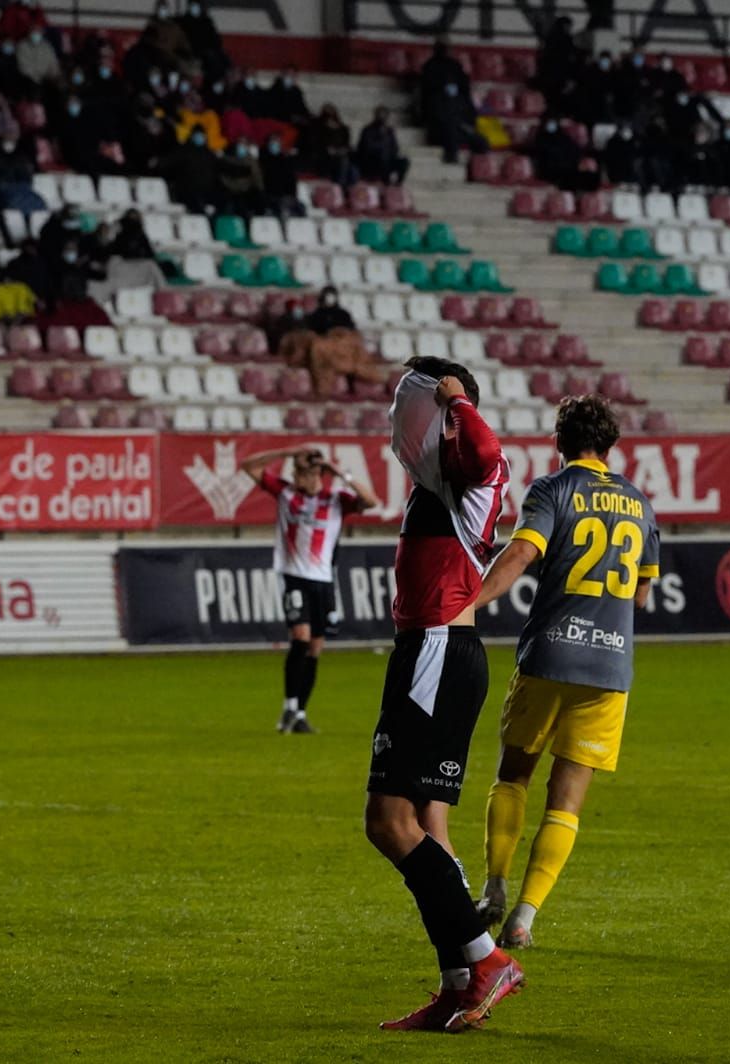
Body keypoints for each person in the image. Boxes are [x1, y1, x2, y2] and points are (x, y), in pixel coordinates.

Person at [365, 357, 525, 1033]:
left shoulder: (470, 469)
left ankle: (487, 962)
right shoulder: (439, 477)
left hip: (438, 648)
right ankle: (458, 981)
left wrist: (457, 398)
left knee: (389, 822)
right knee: (425, 826)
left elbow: (489, 449)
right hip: (431, 650)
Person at [472, 395, 660, 949]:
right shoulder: (640, 503)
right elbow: (642, 594)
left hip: (550, 654)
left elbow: (520, 555)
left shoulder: (553, 490)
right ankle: (525, 918)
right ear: (611, 445)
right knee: (567, 800)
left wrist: (469, 603)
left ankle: (495, 887)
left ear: (560, 442)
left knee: (513, 775)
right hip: (608, 666)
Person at [238, 446, 378, 734]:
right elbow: (248, 465)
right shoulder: (286, 493)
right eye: (297, 471)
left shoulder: (336, 500)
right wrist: (286, 453)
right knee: (300, 638)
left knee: (315, 648)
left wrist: (341, 473)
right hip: (293, 577)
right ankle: (290, 705)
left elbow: (371, 501)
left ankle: (299, 713)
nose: (298, 476)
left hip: (323, 581)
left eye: (304, 471)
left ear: (319, 474)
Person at [357, 106, 411, 185]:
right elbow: (367, 147)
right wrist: (382, 141)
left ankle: (397, 184)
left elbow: (395, 147)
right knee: (381, 154)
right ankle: (384, 181)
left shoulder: (389, 131)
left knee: (404, 161)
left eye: (384, 116)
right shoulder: (368, 130)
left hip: (388, 159)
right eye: (380, 115)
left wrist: (391, 152)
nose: (382, 118)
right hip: (371, 161)